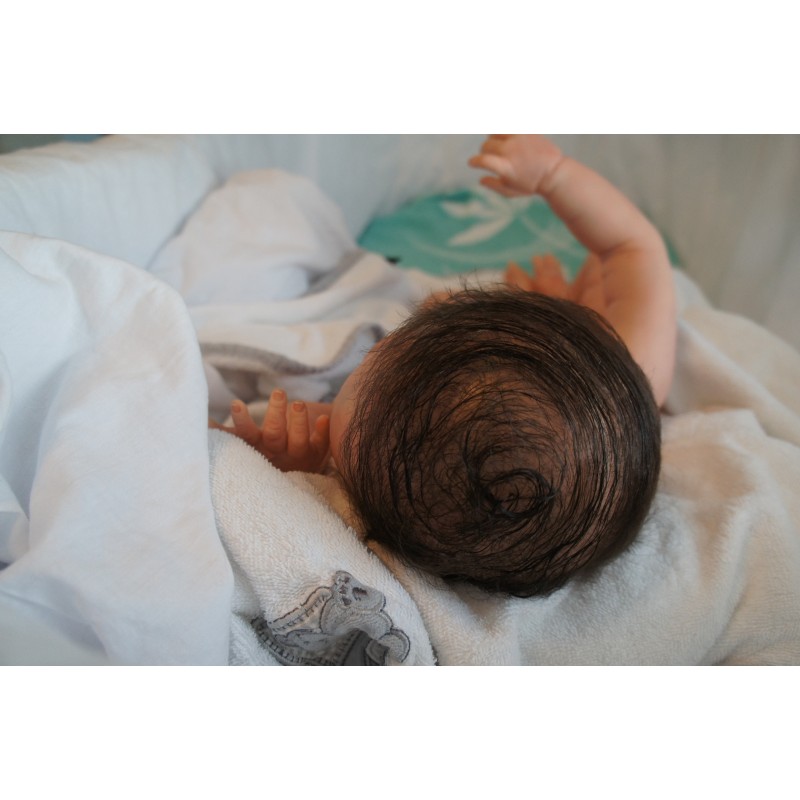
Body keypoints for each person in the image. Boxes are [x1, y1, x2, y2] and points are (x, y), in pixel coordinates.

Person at [211, 134, 677, 598]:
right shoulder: (636, 368)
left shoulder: (382, 460)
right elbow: (631, 245)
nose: (381, 341)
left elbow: (304, 450)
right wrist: (554, 175)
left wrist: (291, 465)